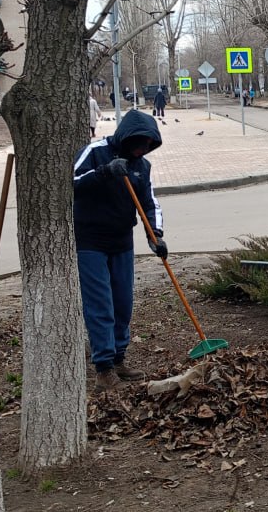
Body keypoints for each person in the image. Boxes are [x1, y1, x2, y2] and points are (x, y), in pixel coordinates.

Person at [73, 109, 166, 391]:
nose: (143, 149)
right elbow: (72, 182)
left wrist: (156, 234)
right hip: (90, 241)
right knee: (100, 304)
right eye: (139, 143)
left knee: (123, 302)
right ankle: (103, 369)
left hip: (122, 240)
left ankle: (118, 358)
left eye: (148, 145)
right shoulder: (95, 151)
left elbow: (149, 202)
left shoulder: (142, 165)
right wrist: (104, 173)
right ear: (126, 137)